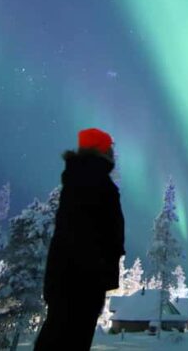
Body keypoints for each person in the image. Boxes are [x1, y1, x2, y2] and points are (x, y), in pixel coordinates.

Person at [34, 128, 125, 350]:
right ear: (102, 149)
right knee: (70, 338)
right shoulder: (94, 181)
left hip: (72, 277)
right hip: (82, 280)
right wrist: (100, 265)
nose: (113, 151)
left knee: (60, 335)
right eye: (110, 147)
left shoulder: (81, 178)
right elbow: (90, 231)